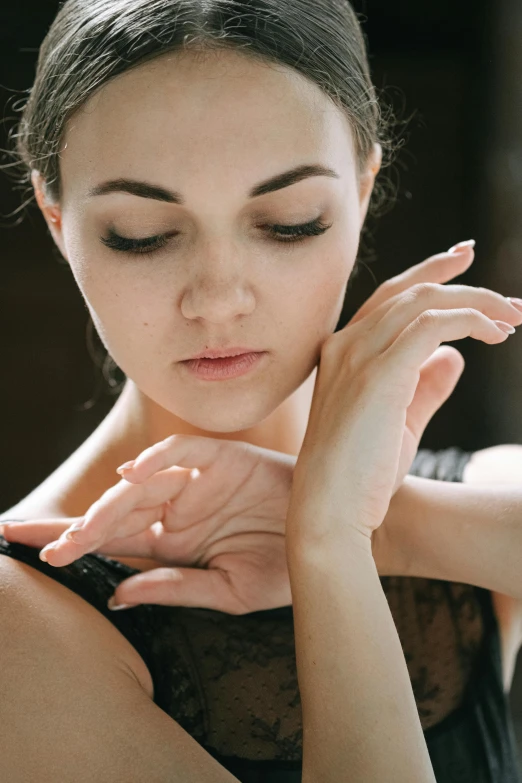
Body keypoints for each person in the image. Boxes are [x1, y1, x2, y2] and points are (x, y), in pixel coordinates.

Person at [2, 0, 522, 780]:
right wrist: (331, 542)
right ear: (55, 215)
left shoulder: (485, 501)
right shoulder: (19, 622)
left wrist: (361, 528)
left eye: (288, 221)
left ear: (364, 185)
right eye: (140, 233)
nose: (216, 300)